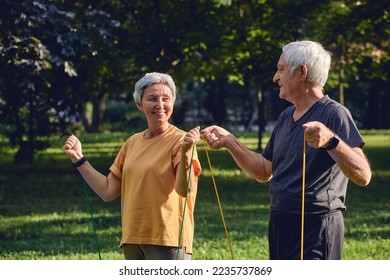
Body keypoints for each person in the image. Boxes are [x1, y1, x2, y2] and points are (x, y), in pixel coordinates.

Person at [202, 41, 371, 260]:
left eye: (281, 69)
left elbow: (363, 175)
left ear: (302, 72)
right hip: (280, 223)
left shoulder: (335, 114)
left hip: (316, 226)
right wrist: (230, 142)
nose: (275, 77)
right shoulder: (285, 117)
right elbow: (264, 170)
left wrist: (331, 140)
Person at [63, 72, 202, 260]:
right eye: (152, 99)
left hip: (167, 240)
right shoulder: (132, 143)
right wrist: (79, 159)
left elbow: (185, 190)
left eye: (166, 99)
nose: (160, 105)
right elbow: (107, 190)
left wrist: (186, 152)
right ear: (139, 104)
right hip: (132, 239)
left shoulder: (181, 141)